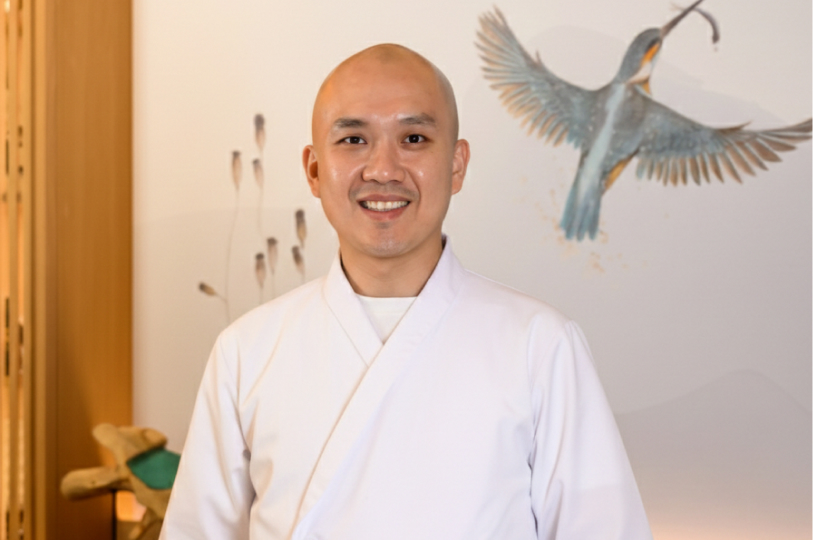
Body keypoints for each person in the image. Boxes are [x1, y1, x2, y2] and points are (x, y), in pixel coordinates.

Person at [160, 44, 652, 539]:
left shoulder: (541, 345)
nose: (383, 170)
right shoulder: (246, 351)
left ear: (457, 165)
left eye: (413, 138)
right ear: (313, 169)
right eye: (353, 139)